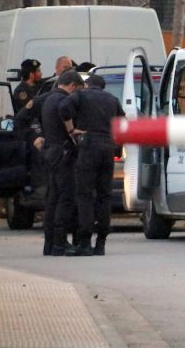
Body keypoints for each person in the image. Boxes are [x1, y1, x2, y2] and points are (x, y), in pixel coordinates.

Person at [15, 71, 84, 255]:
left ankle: (50, 243)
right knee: (64, 197)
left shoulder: (48, 99)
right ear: (72, 86)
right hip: (61, 153)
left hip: (52, 153)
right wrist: (35, 137)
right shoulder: (56, 100)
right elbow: (21, 120)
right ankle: (59, 242)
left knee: (53, 198)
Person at [59, 73, 125, 256]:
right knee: (104, 195)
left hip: (88, 146)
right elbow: (122, 122)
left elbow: (63, 108)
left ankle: (85, 242)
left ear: (88, 85)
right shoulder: (112, 100)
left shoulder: (81, 95)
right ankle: (101, 243)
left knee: (85, 194)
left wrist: (71, 129)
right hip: (108, 148)